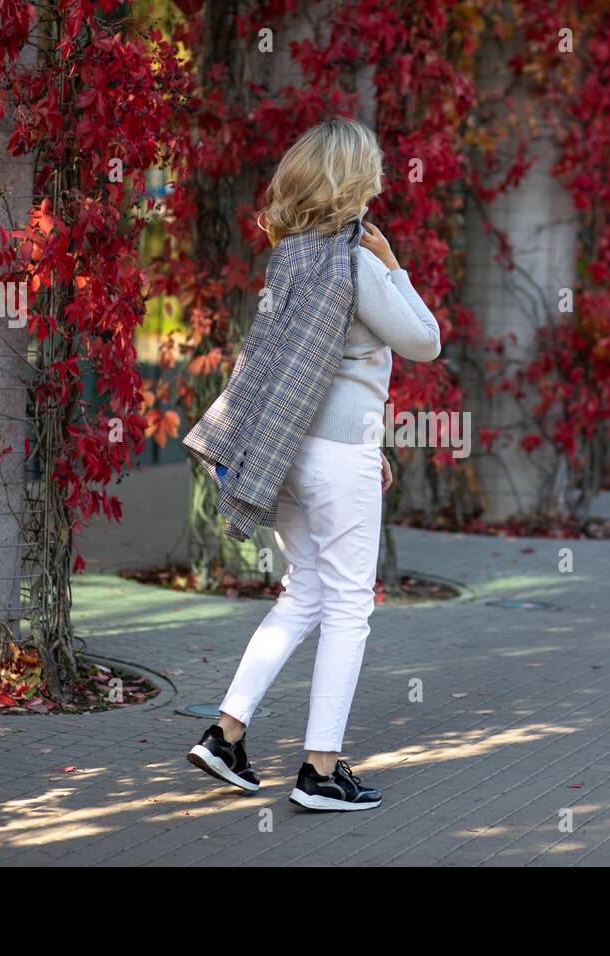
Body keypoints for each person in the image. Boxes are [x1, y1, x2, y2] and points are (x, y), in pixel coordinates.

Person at [187, 117, 441, 811]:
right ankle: (321, 770)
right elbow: (425, 341)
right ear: (356, 180)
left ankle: (226, 734)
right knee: (349, 606)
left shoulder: (294, 254)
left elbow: (306, 366)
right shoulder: (357, 258)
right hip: (336, 458)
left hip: (287, 448)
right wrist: (396, 265)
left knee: (305, 593)